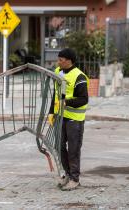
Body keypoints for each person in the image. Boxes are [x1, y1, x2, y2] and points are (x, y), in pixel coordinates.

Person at [48, 48, 89, 191]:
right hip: (60, 117)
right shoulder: (58, 72)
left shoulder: (79, 77)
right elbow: (56, 93)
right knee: (59, 147)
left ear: (69, 61)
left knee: (73, 150)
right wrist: (51, 112)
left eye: (61, 59)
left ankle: (74, 179)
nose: (58, 62)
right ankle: (67, 174)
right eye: (58, 59)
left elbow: (84, 99)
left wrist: (66, 102)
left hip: (74, 119)